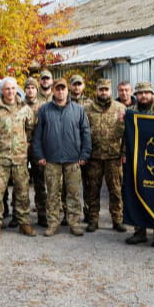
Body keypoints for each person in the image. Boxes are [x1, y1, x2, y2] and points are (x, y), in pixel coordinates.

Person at [31, 78, 91, 237]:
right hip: (51, 160)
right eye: (57, 89)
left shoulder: (78, 110)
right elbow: (37, 135)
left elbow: (86, 133)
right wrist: (39, 155)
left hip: (73, 160)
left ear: (67, 90)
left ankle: (74, 223)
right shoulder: (44, 110)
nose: (60, 91)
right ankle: (53, 223)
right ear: (54, 91)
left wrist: (84, 154)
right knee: (52, 194)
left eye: (63, 89)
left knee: (73, 193)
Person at [0, 77, 37, 239]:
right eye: (7, 89)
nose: (10, 92)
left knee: (22, 191)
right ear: (2, 91)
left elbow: (30, 128)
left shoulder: (25, 109)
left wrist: (22, 144)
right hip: (0, 158)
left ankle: (23, 222)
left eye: (13, 88)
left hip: (20, 158)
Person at [123, 81, 154, 247]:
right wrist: (124, 154)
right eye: (140, 93)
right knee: (138, 194)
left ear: (152, 94)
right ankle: (140, 231)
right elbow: (124, 136)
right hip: (137, 160)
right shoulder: (131, 113)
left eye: (146, 93)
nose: (143, 96)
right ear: (136, 95)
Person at [82, 79, 127, 233]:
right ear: (96, 91)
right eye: (101, 90)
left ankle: (117, 219)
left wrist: (124, 153)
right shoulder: (87, 110)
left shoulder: (120, 108)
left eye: (106, 90)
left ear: (111, 91)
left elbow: (127, 134)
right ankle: (93, 219)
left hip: (113, 157)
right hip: (94, 157)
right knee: (92, 190)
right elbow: (83, 133)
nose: (103, 92)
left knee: (115, 190)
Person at [23, 77, 47, 227]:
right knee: (21, 183)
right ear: (24, 90)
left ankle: (42, 214)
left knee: (40, 183)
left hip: (39, 149)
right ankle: (20, 214)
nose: (30, 90)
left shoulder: (44, 106)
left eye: (33, 88)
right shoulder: (19, 105)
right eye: (28, 87)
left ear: (37, 90)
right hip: (22, 149)